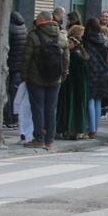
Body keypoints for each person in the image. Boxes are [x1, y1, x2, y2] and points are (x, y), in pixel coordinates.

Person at [21, 11, 69, 150]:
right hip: (55, 79)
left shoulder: (33, 36)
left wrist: (25, 75)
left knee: (38, 109)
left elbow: (26, 58)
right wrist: (63, 74)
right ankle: (49, 140)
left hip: (36, 78)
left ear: (41, 20)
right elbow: (66, 58)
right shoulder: (61, 36)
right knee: (51, 109)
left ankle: (39, 138)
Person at [56, 24, 91, 139]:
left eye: (70, 43)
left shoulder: (74, 55)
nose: (68, 45)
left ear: (75, 43)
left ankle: (68, 129)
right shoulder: (82, 55)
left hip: (71, 86)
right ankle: (77, 130)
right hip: (79, 87)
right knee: (77, 108)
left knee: (69, 108)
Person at [82, 18, 108, 139]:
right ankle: (96, 128)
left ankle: (91, 129)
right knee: (98, 100)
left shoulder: (86, 41)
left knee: (90, 100)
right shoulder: (104, 41)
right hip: (102, 72)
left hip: (90, 71)